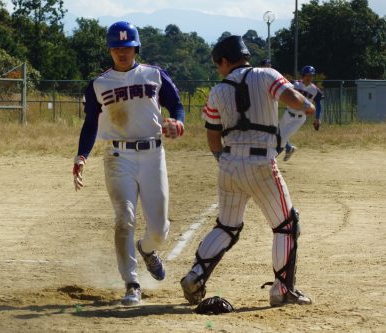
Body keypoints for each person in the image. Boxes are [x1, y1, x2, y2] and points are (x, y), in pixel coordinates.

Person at [180, 35, 314, 308]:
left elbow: (213, 139)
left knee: (227, 226)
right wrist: (307, 106)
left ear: (227, 61)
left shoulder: (217, 91)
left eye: (219, 63)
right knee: (286, 225)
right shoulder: (267, 75)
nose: (219, 68)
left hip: (229, 163)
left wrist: (227, 162)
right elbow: (292, 99)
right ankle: (282, 289)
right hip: (262, 162)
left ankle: (195, 275)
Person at [73, 21, 185, 306]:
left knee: (159, 230)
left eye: (127, 47)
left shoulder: (154, 74)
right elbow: (90, 124)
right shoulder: (99, 84)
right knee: (124, 218)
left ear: (136, 48)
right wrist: (81, 156)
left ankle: (147, 250)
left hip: (153, 154)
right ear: (110, 50)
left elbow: (177, 106)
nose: (122, 52)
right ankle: (131, 283)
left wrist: (178, 123)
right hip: (117, 156)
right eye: (117, 47)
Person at [279, 65, 323, 161]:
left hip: (299, 118)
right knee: (278, 135)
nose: (309, 77)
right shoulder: (294, 84)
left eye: (311, 75)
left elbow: (319, 104)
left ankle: (271, 159)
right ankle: (289, 148)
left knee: (282, 138)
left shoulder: (315, 90)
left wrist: (317, 118)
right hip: (287, 113)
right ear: (303, 75)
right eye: (307, 75)